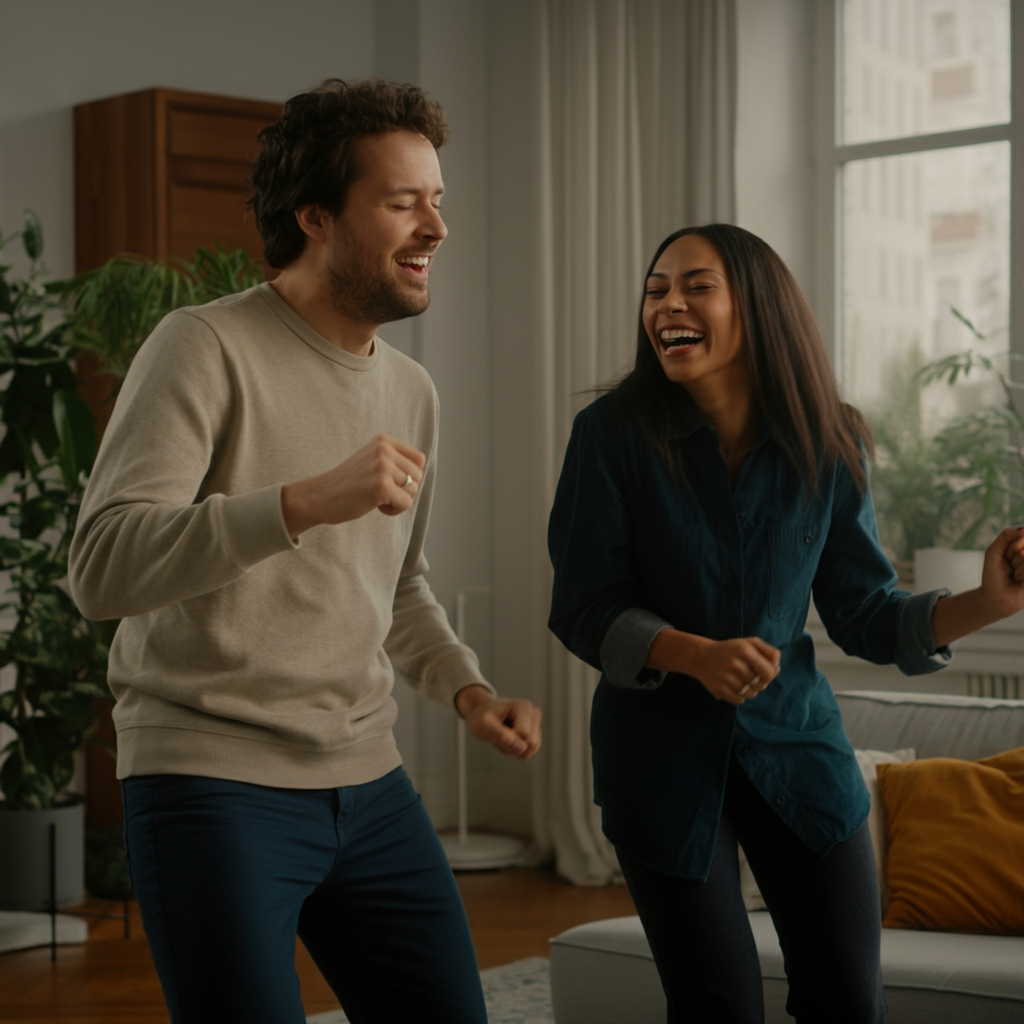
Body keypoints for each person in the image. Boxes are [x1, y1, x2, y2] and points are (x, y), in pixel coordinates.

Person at [69, 78, 541, 1024]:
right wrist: (300, 502)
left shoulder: (412, 392)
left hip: (368, 779)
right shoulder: (203, 346)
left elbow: (398, 588)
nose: (436, 226)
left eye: (438, 200)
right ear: (316, 215)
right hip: (210, 782)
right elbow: (102, 568)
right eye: (404, 201)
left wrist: (468, 688)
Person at [546, 223, 1024, 1024]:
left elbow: (866, 615)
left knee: (847, 999)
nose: (668, 304)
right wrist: (691, 653)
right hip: (658, 763)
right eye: (656, 288)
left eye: (697, 285)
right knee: (717, 1005)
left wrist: (989, 602)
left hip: (800, 754)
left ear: (757, 307)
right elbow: (583, 607)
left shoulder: (829, 439)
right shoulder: (611, 435)